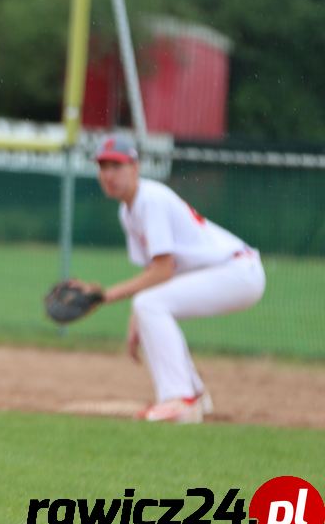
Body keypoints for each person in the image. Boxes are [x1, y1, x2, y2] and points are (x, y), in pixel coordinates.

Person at [89, 135, 265, 423]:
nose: (108, 175)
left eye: (116, 166)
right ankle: (194, 394)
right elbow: (154, 275)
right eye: (103, 167)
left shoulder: (151, 199)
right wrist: (139, 318)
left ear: (135, 168)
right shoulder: (128, 210)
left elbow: (163, 270)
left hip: (238, 272)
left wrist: (105, 296)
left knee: (150, 304)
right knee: (149, 305)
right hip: (229, 272)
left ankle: (179, 400)